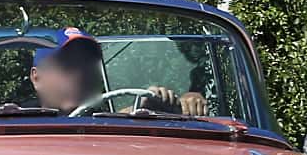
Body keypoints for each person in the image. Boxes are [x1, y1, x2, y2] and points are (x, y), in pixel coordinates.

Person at [26, 28, 208, 116]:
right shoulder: (15, 123)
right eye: (67, 64)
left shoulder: (110, 125)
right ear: (36, 77)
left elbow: (124, 116)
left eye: (88, 65)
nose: (81, 74)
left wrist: (184, 104)